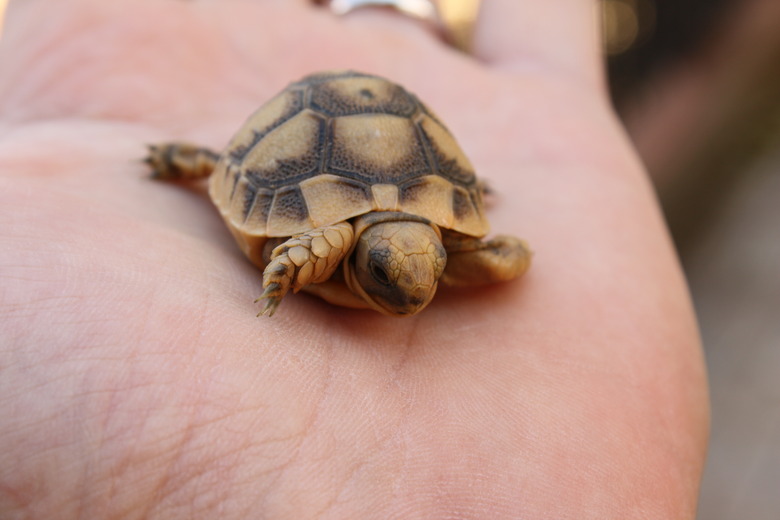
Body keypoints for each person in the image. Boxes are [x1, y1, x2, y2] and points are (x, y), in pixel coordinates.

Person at [0, 0, 708, 518]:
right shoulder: (333, 243)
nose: (417, 295)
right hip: (308, 167)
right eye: (391, 275)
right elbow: (331, 237)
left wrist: (483, 254)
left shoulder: (429, 254)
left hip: (400, 176)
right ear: (362, 258)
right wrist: (299, 261)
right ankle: (206, 163)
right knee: (275, 209)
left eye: (432, 268)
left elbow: (490, 255)